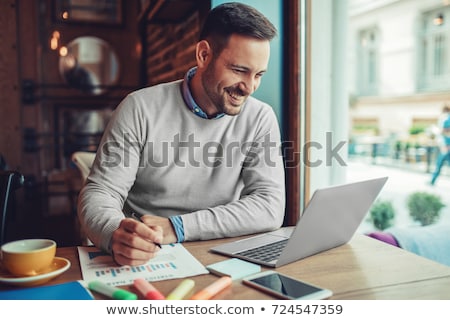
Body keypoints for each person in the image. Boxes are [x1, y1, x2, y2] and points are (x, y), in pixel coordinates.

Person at [78, 2, 286, 266]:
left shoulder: (260, 117)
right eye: (239, 70)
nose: (249, 87)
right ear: (203, 55)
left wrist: (177, 227)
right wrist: (114, 233)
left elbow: (269, 206)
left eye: (259, 74)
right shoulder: (139, 107)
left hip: (222, 253)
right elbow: (100, 192)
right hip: (149, 254)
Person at [430, 104, 450, 185]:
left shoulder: (446, 118)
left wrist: (437, 131)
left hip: (446, 145)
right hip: (446, 145)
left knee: (439, 163)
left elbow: (445, 131)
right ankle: (432, 180)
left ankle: (433, 180)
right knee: (440, 162)